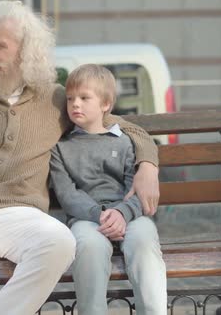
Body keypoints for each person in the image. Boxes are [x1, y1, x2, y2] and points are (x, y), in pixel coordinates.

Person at [0, 0, 160, 315]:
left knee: (60, 243)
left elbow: (126, 129)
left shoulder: (56, 100)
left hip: (16, 215)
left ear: (26, 52)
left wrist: (147, 166)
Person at [50, 64, 167, 314]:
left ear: (105, 104)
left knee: (145, 241)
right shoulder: (61, 148)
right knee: (89, 246)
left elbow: (137, 188)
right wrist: (100, 214)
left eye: (84, 98)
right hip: (87, 218)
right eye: (70, 99)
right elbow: (67, 194)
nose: (75, 104)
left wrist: (122, 214)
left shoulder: (126, 143)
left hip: (129, 216)